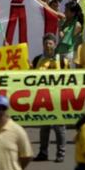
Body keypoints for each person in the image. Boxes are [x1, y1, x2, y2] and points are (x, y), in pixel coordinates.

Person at [32, 33, 67, 163]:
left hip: (58, 97)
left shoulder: (62, 60)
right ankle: (43, 152)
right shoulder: (37, 60)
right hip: (42, 98)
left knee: (59, 127)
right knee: (44, 126)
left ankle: (61, 153)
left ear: (55, 44)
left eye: (50, 43)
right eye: (46, 43)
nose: (48, 46)